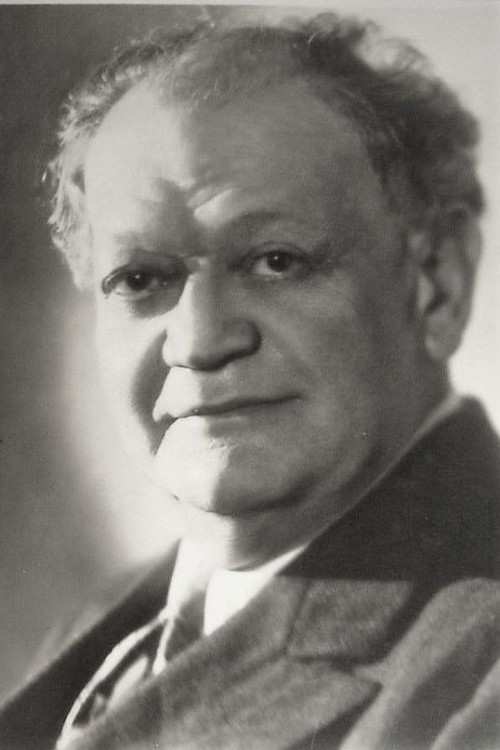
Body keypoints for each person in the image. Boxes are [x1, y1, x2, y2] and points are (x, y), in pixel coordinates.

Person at [0, 11, 499, 750]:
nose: (201, 342)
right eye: (139, 279)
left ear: (437, 283)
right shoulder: (100, 632)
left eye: (276, 260)